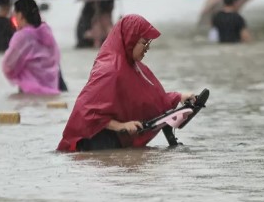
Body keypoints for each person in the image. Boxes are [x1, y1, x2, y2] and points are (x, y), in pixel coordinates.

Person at [57, 14, 194, 152]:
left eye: (149, 43)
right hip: (94, 143)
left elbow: (148, 99)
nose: (147, 48)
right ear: (131, 40)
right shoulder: (109, 69)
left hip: (116, 142)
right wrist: (121, 126)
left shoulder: (134, 67)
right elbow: (87, 112)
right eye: (144, 42)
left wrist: (179, 97)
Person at [2, 0, 61, 95]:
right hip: (52, 89)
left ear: (20, 15)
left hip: (29, 91)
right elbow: (56, 58)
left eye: (14, 15)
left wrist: (18, 74)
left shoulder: (22, 36)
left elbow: (8, 66)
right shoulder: (47, 32)